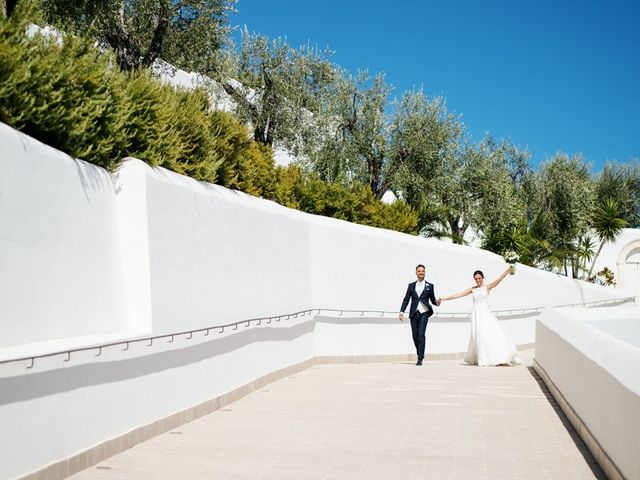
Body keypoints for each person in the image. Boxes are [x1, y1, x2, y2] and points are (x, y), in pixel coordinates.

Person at [438, 266, 522, 367]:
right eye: (476, 279)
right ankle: (483, 357)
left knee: (489, 334)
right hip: (476, 314)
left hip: (485, 314)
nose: (478, 280)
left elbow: (498, 280)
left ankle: (497, 356)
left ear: (483, 278)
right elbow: (459, 294)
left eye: (479, 278)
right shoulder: (472, 289)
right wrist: (444, 299)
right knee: (478, 335)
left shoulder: (487, 287)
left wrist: (508, 271)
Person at [399, 264, 440, 366]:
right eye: (419, 271)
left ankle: (420, 358)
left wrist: (437, 302)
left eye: (423, 271)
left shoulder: (430, 286)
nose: (421, 273)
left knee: (421, 335)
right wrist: (401, 311)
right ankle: (420, 353)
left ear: (425, 272)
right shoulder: (411, 286)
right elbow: (406, 299)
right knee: (415, 336)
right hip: (414, 313)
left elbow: (432, 299)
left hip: (424, 313)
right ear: (416, 273)